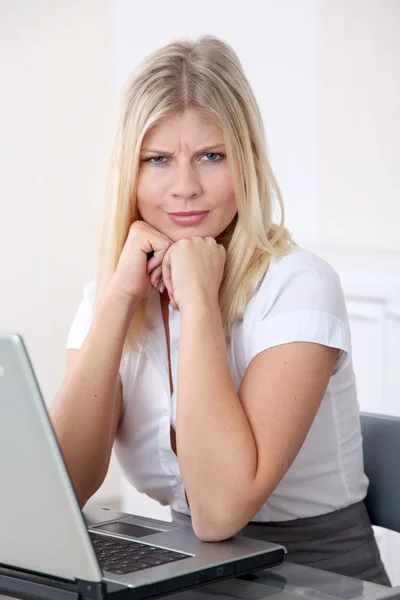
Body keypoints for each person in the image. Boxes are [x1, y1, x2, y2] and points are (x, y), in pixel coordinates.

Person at [50, 35, 390, 585]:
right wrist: (115, 300)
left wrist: (200, 303)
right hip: (194, 577)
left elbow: (217, 512)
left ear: (247, 162)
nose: (185, 188)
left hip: (315, 580)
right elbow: (59, 490)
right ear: (128, 175)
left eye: (211, 157)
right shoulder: (113, 293)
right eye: (157, 160)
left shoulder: (298, 285)